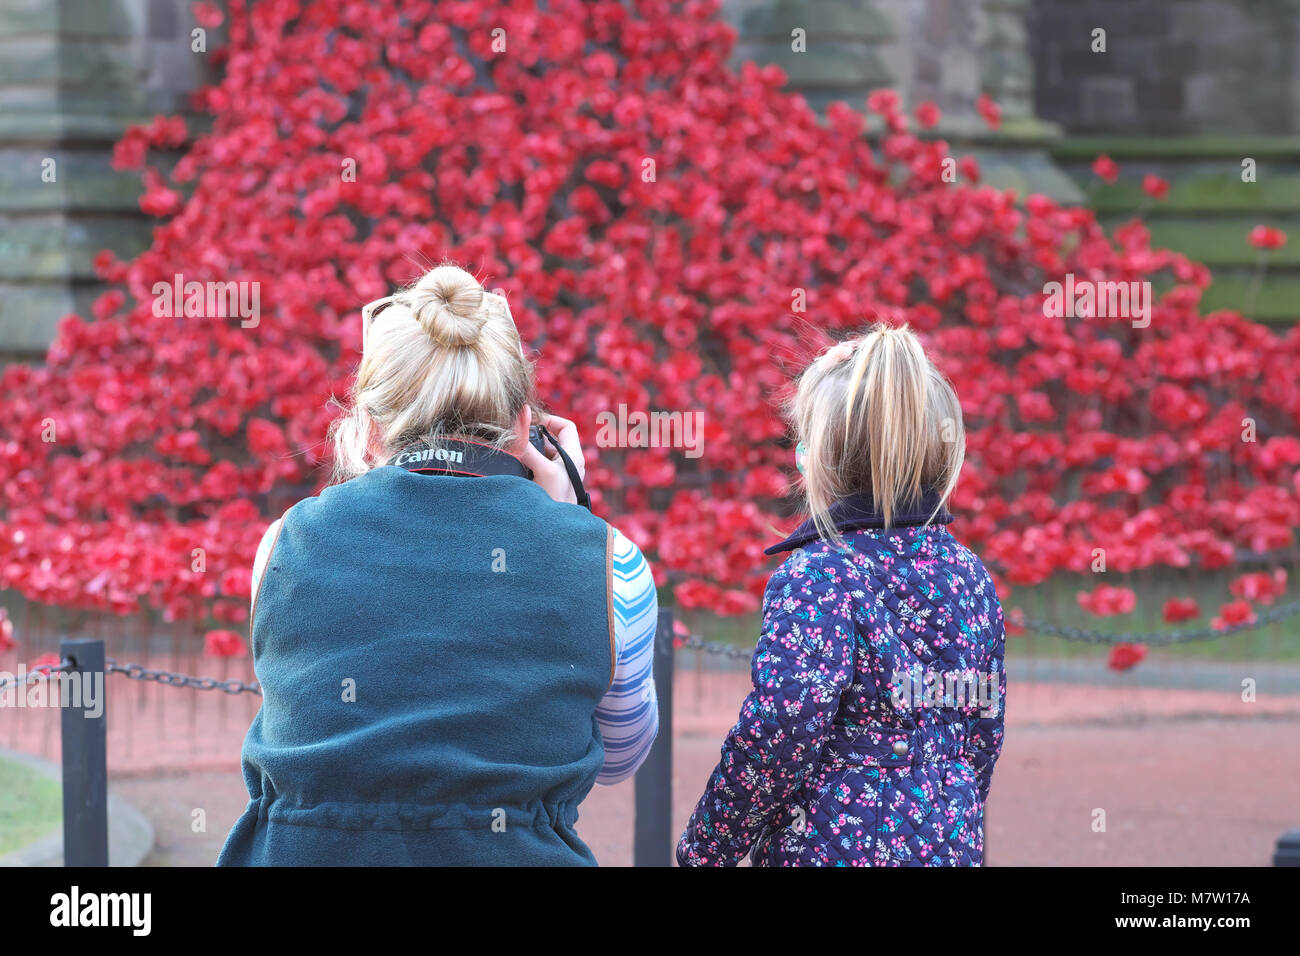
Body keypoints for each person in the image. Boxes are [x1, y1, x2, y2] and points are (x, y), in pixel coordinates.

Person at [217, 264, 658, 866]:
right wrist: (571, 526)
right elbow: (623, 755)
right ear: (527, 429)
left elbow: (311, 729)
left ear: (367, 432)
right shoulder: (612, 565)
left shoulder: (283, 546)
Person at [677, 324, 1006, 866]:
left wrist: (709, 845)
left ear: (819, 459)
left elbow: (784, 723)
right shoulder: (969, 575)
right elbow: (981, 731)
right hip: (948, 843)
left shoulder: (818, 575)